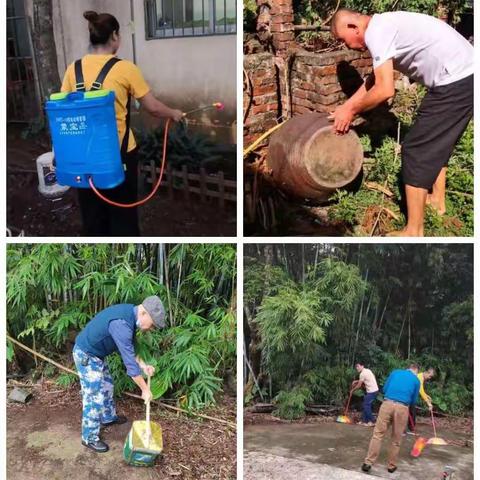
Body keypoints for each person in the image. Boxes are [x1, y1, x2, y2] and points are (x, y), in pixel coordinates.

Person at [329, 10, 473, 237]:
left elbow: (385, 90)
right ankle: (437, 201)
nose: (345, 45)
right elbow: (373, 81)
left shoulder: (376, 31)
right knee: (437, 143)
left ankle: (414, 230)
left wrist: (352, 112)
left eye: (341, 39)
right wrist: (347, 108)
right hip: (465, 75)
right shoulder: (384, 25)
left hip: (456, 80)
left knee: (415, 149)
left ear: (352, 26)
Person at [61, 11, 183, 236]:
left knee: (92, 213)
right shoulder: (125, 69)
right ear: (115, 36)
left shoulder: (73, 69)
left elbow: (64, 110)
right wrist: (173, 113)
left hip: (84, 156)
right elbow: (153, 107)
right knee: (123, 213)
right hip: (119, 153)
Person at [73, 296, 166, 453]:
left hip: (97, 355)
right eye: (152, 325)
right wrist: (145, 389)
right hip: (86, 355)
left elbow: (131, 346)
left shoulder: (130, 314)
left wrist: (144, 366)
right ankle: (88, 437)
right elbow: (130, 365)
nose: (150, 329)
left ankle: (108, 418)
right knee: (93, 396)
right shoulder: (121, 324)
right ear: (144, 313)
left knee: (108, 386)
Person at [361, 364, 420, 474]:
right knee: (396, 438)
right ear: (415, 371)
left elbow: (385, 389)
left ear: (407, 368)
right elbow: (413, 401)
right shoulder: (416, 380)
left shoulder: (395, 372)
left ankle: (368, 463)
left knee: (377, 435)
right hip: (402, 408)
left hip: (387, 404)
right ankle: (391, 466)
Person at [407, 367, 435, 434]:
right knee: (411, 412)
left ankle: (410, 429)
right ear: (426, 372)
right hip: (408, 396)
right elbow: (420, 391)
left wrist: (426, 396)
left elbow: (421, 390)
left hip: (410, 397)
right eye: (430, 376)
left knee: (411, 412)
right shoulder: (419, 377)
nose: (429, 378)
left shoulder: (421, 377)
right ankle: (410, 429)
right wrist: (428, 403)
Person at [351, 362, 379, 426]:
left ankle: (373, 421)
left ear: (362, 366)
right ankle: (364, 421)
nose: (357, 368)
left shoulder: (362, 374)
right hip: (374, 390)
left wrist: (352, 390)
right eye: (356, 367)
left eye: (358, 366)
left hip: (372, 391)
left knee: (366, 406)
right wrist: (356, 381)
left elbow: (359, 385)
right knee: (366, 405)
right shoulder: (368, 370)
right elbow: (369, 377)